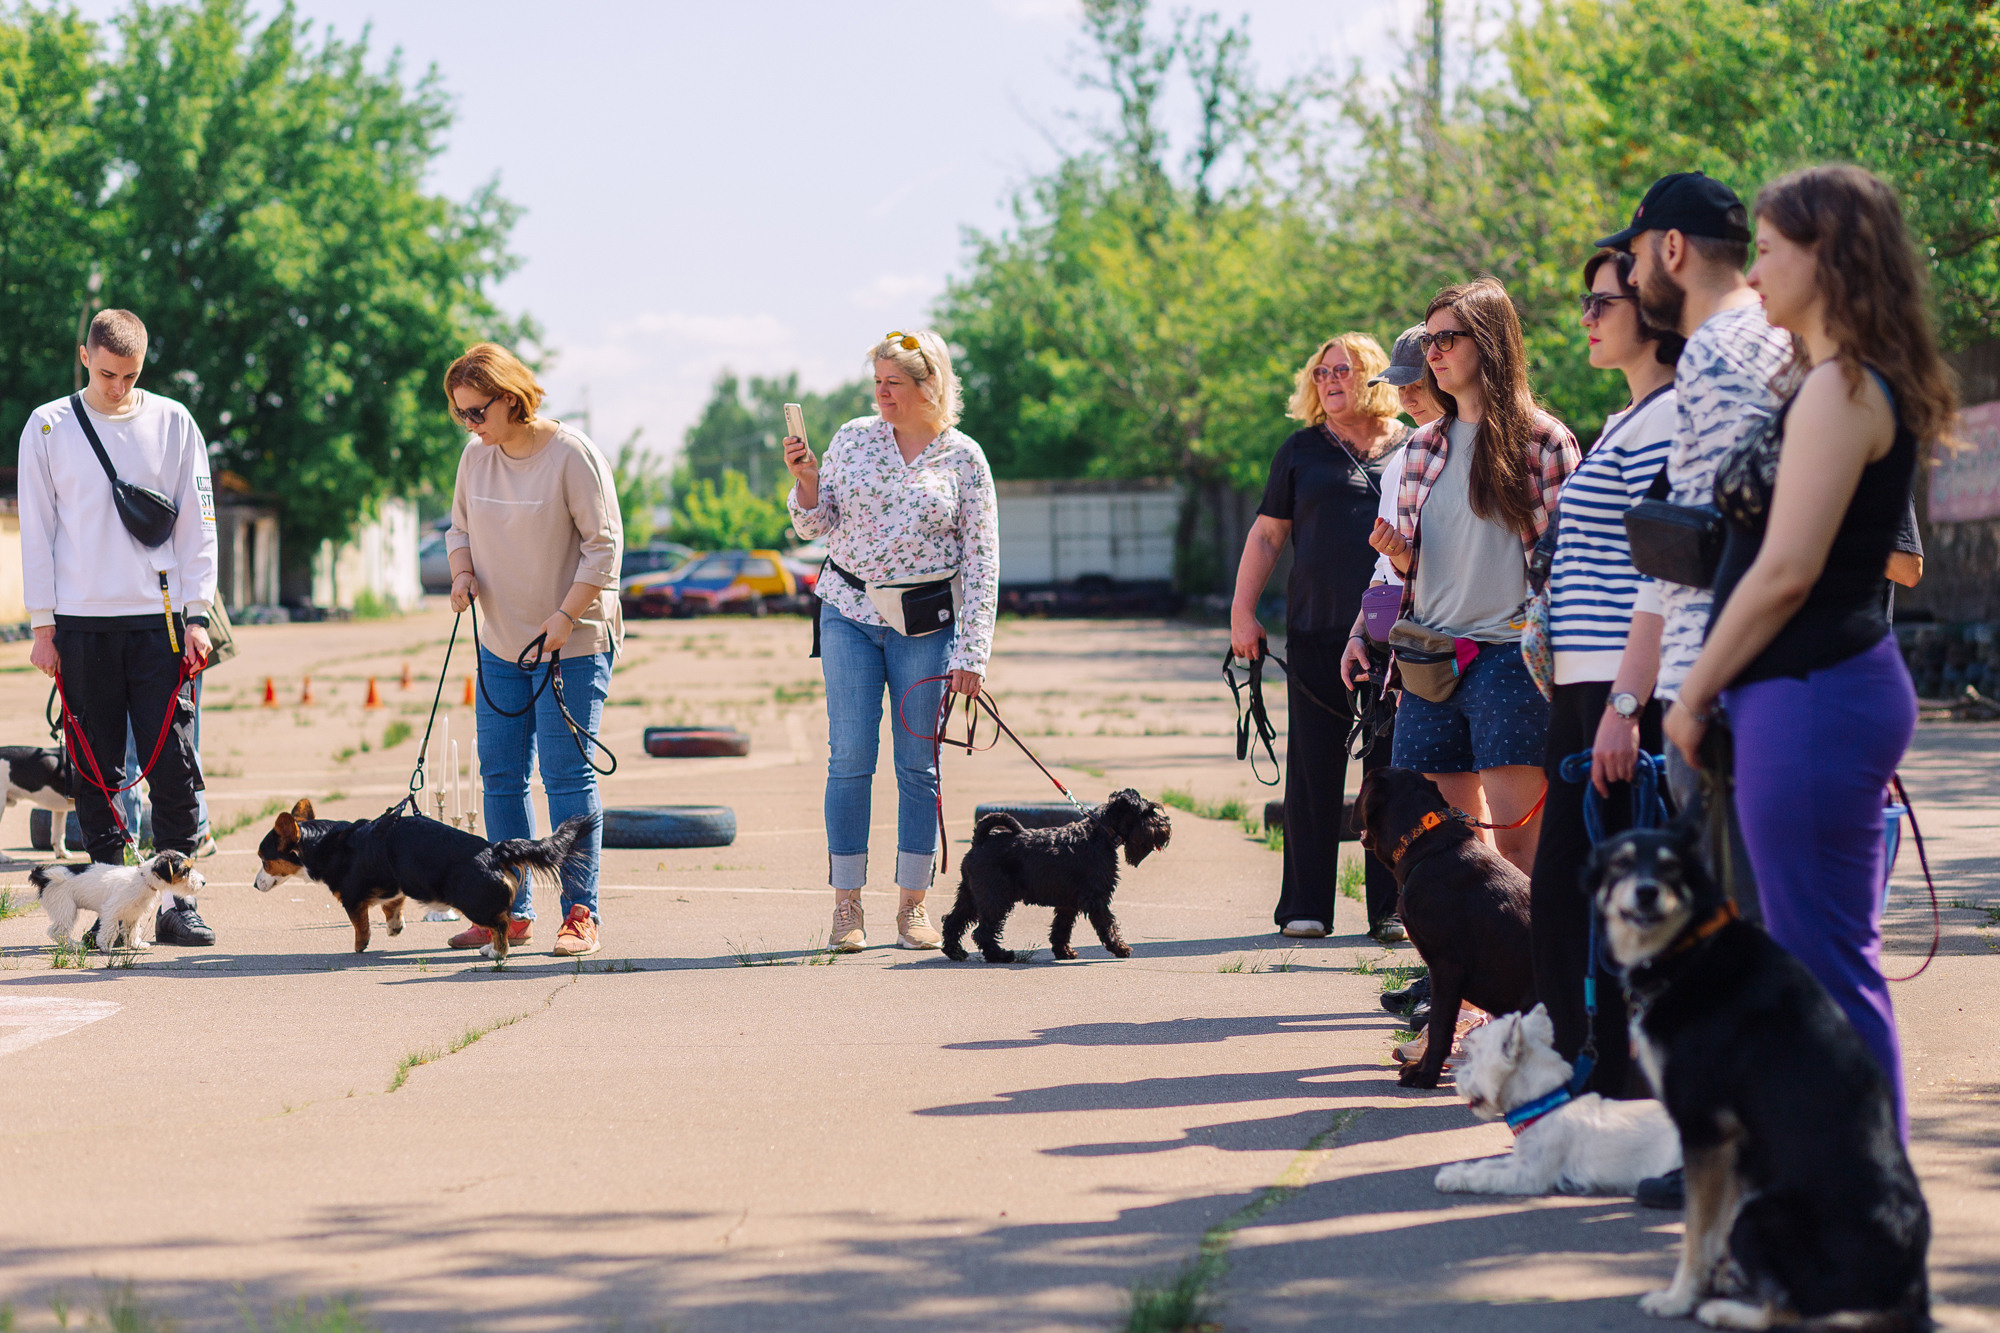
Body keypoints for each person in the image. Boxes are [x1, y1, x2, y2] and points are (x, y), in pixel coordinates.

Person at [1666, 165, 1957, 1144]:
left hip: (1812, 691)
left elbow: (1785, 569)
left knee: (1820, 968)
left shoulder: (1842, 390)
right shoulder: (1819, 380)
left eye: (1769, 246)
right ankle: (1831, 1207)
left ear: (1824, 255)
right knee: (1806, 963)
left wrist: (1688, 694)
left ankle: (1866, 1220)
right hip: (1800, 692)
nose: (1752, 267)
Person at [1600, 172, 1792, 933]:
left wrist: (1694, 697)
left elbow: (1743, 548)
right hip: (1728, 693)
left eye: (1637, 256)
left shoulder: (1718, 355)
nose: (1633, 275)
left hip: (1719, 701)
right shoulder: (1772, 345)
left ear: (1672, 248)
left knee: (1741, 953)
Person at [1342, 279, 1580, 876]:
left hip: (1511, 658)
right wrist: (1398, 558)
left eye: (1448, 337)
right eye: (1430, 340)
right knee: (1440, 850)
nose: (1434, 352)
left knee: (1520, 851)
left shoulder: (1543, 442)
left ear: (1492, 342)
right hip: (1429, 656)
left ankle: (1535, 968)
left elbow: (1572, 566)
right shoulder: (1420, 448)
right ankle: (1459, 972)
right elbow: (1419, 571)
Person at [786, 330, 999, 952]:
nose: (881, 393)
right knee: (849, 758)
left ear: (930, 386)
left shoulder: (964, 458)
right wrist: (805, 481)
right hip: (848, 611)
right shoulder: (853, 438)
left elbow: (983, 561)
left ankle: (913, 905)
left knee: (918, 764)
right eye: (876, 381)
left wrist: (972, 655)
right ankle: (847, 905)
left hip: (927, 625)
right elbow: (815, 524)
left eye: (894, 384)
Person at [1529, 249, 1683, 1098]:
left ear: (1652, 310)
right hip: (1583, 686)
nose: (1586, 317)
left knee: (1595, 894)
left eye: (1602, 302)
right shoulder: (1627, 418)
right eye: (1583, 302)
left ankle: (1616, 1078)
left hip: (1622, 692)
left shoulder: (1666, 420)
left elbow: (1663, 576)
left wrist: (1625, 703)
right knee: (1570, 893)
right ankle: (1595, 1070)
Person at [19, 308, 216, 946]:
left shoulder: (173, 421)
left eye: (130, 375)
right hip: (80, 625)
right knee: (95, 767)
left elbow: (197, 525)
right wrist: (43, 626)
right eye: (107, 374)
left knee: (173, 764)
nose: (118, 388)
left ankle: (178, 906)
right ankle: (112, 902)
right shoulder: (47, 425)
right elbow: (38, 533)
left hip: (159, 623)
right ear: (84, 356)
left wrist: (198, 614)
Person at [444, 343, 623, 959]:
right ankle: (507, 909)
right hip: (500, 642)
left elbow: (603, 549)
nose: (469, 425)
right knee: (500, 776)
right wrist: (461, 571)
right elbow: (459, 528)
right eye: (460, 414)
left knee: (567, 777)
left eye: (476, 411)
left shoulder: (572, 455)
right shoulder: (476, 458)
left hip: (570, 641)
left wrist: (563, 616)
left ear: (511, 398)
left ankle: (580, 913)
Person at [1231, 333, 1408, 943]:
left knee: (1390, 771)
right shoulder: (1300, 451)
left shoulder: (1412, 448)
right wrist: (1241, 613)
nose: (1331, 380)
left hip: (1395, 632)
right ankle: (1305, 906)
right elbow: (1266, 537)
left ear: (1375, 378)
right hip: (1314, 631)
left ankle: (1392, 909)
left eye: (1345, 369)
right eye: (1322, 372)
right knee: (1313, 772)